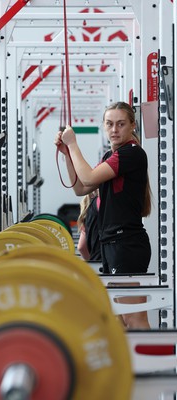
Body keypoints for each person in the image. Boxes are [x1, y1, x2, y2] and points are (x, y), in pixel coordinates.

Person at [54, 101, 152, 329]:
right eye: (109, 124)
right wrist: (68, 154)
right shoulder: (111, 155)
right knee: (116, 319)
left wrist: (73, 143)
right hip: (111, 244)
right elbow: (81, 188)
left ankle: (154, 366)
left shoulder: (131, 153)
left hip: (126, 245)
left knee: (134, 317)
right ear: (104, 127)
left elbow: (87, 178)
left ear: (132, 126)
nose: (114, 129)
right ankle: (124, 365)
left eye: (120, 124)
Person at [77, 190, 101, 262]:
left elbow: (81, 247)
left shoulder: (87, 209)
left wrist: (92, 263)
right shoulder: (105, 205)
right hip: (112, 259)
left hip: (96, 260)